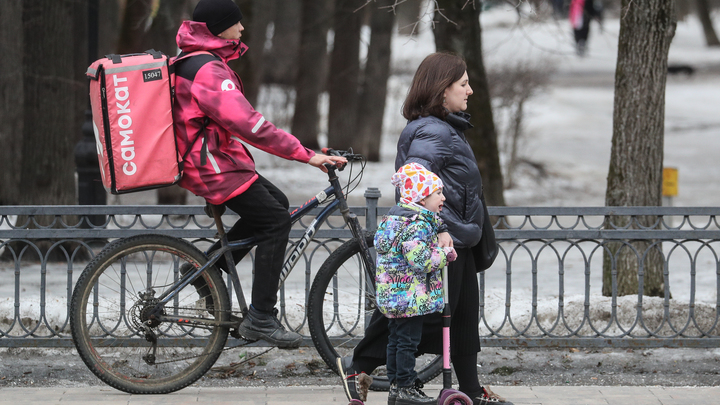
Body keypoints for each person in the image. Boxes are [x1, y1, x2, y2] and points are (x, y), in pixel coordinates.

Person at [337, 53, 514, 405]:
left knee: (461, 318)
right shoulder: (432, 132)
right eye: (463, 84)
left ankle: (470, 389)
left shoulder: (446, 128)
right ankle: (359, 365)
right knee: (420, 311)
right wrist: (439, 228)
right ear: (441, 89)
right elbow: (414, 182)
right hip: (441, 237)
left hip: (456, 235)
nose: (471, 90)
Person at [173, 0, 346, 349]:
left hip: (214, 161)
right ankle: (262, 318)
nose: (241, 29)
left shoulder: (196, 61)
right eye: (236, 23)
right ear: (219, 28)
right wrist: (306, 155)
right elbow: (250, 124)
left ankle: (203, 269)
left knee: (277, 204)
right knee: (276, 222)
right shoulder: (207, 70)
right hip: (211, 166)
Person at [375, 163, 457, 405]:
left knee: (397, 341)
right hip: (410, 297)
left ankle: (396, 387)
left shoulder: (394, 219)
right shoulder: (417, 224)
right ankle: (405, 387)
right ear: (422, 198)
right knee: (407, 343)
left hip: (394, 295)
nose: (443, 197)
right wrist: (446, 256)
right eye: (438, 193)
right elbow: (419, 259)